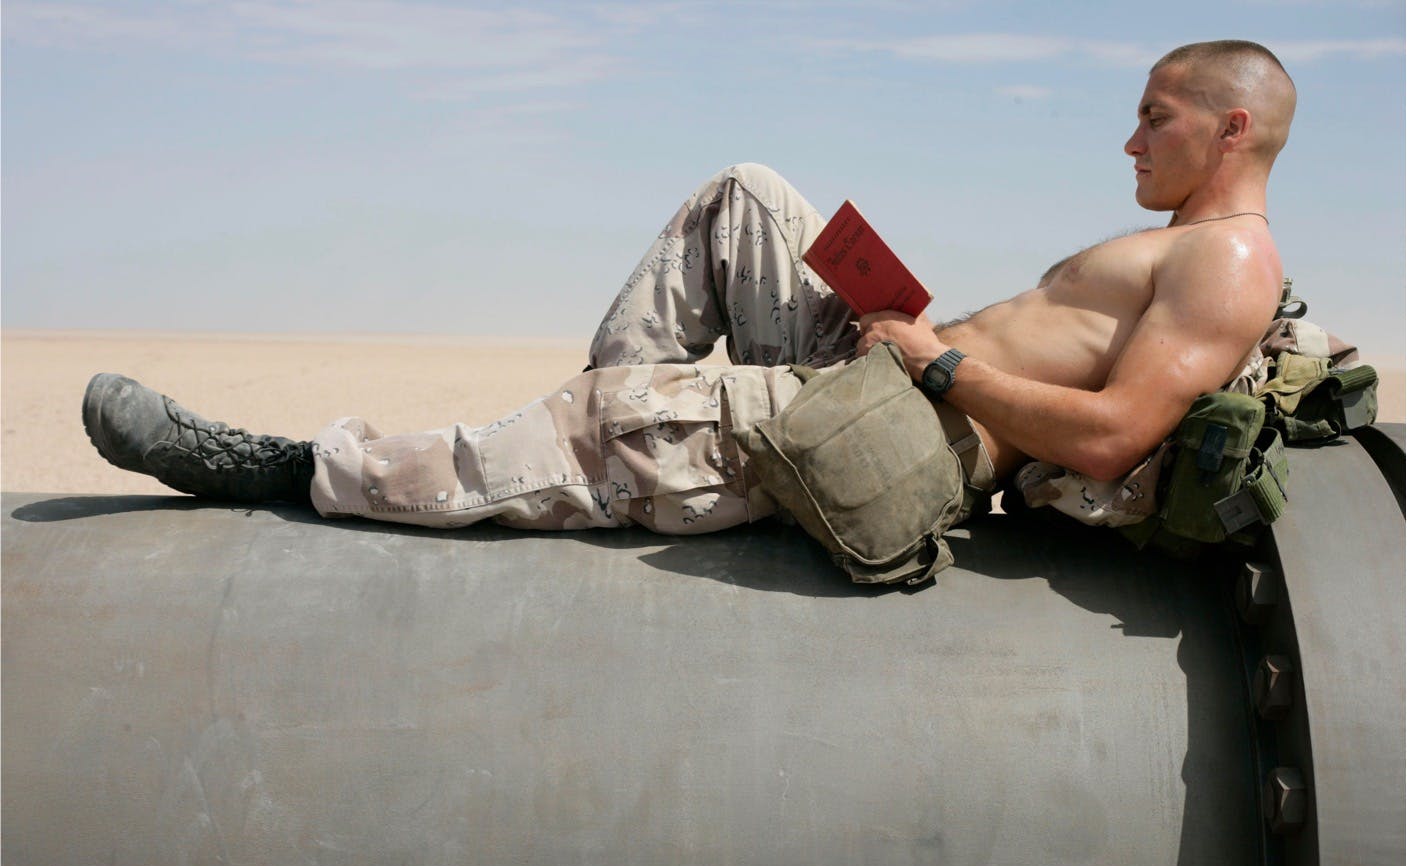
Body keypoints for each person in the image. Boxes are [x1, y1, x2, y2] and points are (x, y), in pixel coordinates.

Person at [84, 40, 1295, 543]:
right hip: (896, 370)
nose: (1129, 141)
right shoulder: (1186, 244)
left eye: (1156, 118)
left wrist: (935, 362)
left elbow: (1116, 433)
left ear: (1233, 127)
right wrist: (909, 332)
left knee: (612, 429)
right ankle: (603, 430)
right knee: (749, 198)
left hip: (910, 431)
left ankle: (291, 468)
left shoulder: (1228, 259)